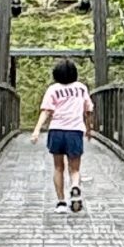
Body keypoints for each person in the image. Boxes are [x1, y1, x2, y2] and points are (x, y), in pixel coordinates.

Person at [32, 59, 92, 213]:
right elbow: (88, 110)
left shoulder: (53, 89)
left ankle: (61, 203)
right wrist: (89, 128)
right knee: (74, 169)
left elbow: (46, 111)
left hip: (57, 131)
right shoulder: (81, 88)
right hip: (75, 131)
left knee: (58, 167)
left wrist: (37, 130)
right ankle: (75, 186)